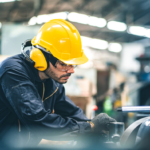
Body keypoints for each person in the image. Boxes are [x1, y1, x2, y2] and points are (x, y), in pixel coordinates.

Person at [0, 19, 115, 148]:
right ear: (41, 57)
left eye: (73, 64)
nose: (71, 70)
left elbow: (72, 113)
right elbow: (38, 120)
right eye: (64, 64)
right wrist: (89, 127)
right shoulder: (13, 71)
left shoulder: (53, 80)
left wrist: (94, 125)